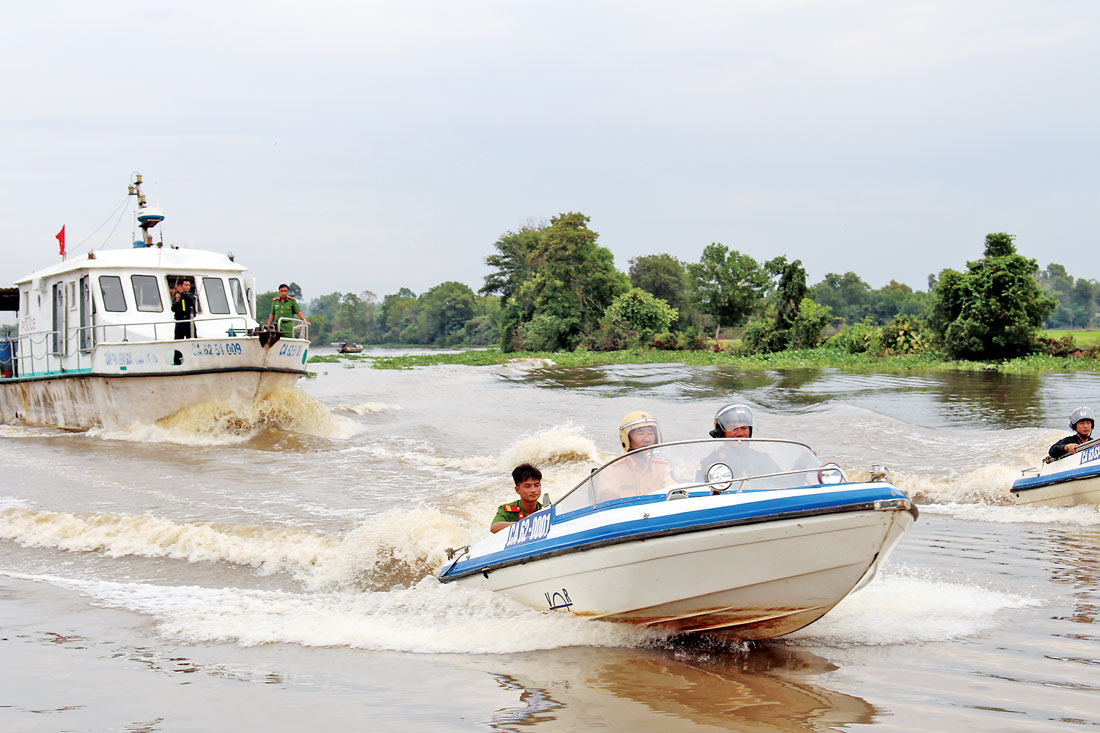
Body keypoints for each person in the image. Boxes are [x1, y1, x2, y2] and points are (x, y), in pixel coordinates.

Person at [595, 411, 675, 502]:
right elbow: (607, 504)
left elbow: (674, 492)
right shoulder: (612, 470)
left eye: (650, 433)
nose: (647, 439)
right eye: (640, 433)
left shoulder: (661, 466)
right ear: (626, 438)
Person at [490, 463, 546, 533]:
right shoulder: (506, 510)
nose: (533, 490)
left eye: (536, 485)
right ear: (517, 490)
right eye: (527, 486)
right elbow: (494, 528)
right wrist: (524, 524)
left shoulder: (546, 509)